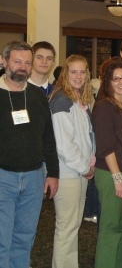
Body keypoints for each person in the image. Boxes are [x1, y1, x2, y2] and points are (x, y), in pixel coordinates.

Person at [0, 40, 59, 268]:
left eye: (27, 62)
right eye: (17, 61)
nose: (22, 67)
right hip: (3, 177)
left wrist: (53, 172)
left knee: (25, 238)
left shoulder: (36, 96)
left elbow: (48, 137)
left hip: (34, 178)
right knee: (2, 240)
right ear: (4, 62)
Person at [49, 55, 95, 268]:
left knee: (73, 225)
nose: (78, 76)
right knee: (67, 227)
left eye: (82, 72)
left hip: (78, 172)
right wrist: (86, 168)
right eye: (73, 72)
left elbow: (85, 137)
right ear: (65, 74)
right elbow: (64, 145)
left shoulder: (78, 99)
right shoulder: (61, 99)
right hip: (68, 173)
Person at [92, 60, 122, 268]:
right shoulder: (104, 107)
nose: (121, 82)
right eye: (115, 78)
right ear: (107, 82)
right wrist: (117, 178)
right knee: (110, 227)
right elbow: (106, 147)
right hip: (112, 174)